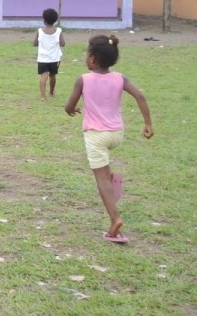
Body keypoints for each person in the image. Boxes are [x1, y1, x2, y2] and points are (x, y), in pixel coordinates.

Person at [64, 35, 153, 244]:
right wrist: (148, 124)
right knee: (105, 172)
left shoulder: (83, 80)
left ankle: (115, 219)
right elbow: (140, 96)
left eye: (87, 54)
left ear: (92, 59)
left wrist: (72, 110)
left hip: (95, 136)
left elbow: (69, 106)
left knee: (101, 179)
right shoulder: (120, 78)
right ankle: (112, 180)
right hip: (116, 134)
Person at [33, 8, 65, 101]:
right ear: (55, 20)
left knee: (43, 76)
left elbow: (34, 43)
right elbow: (63, 43)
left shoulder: (40, 31)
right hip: (54, 58)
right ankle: (51, 92)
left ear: (44, 19)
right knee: (53, 75)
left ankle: (43, 96)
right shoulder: (58, 31)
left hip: (42, 58)